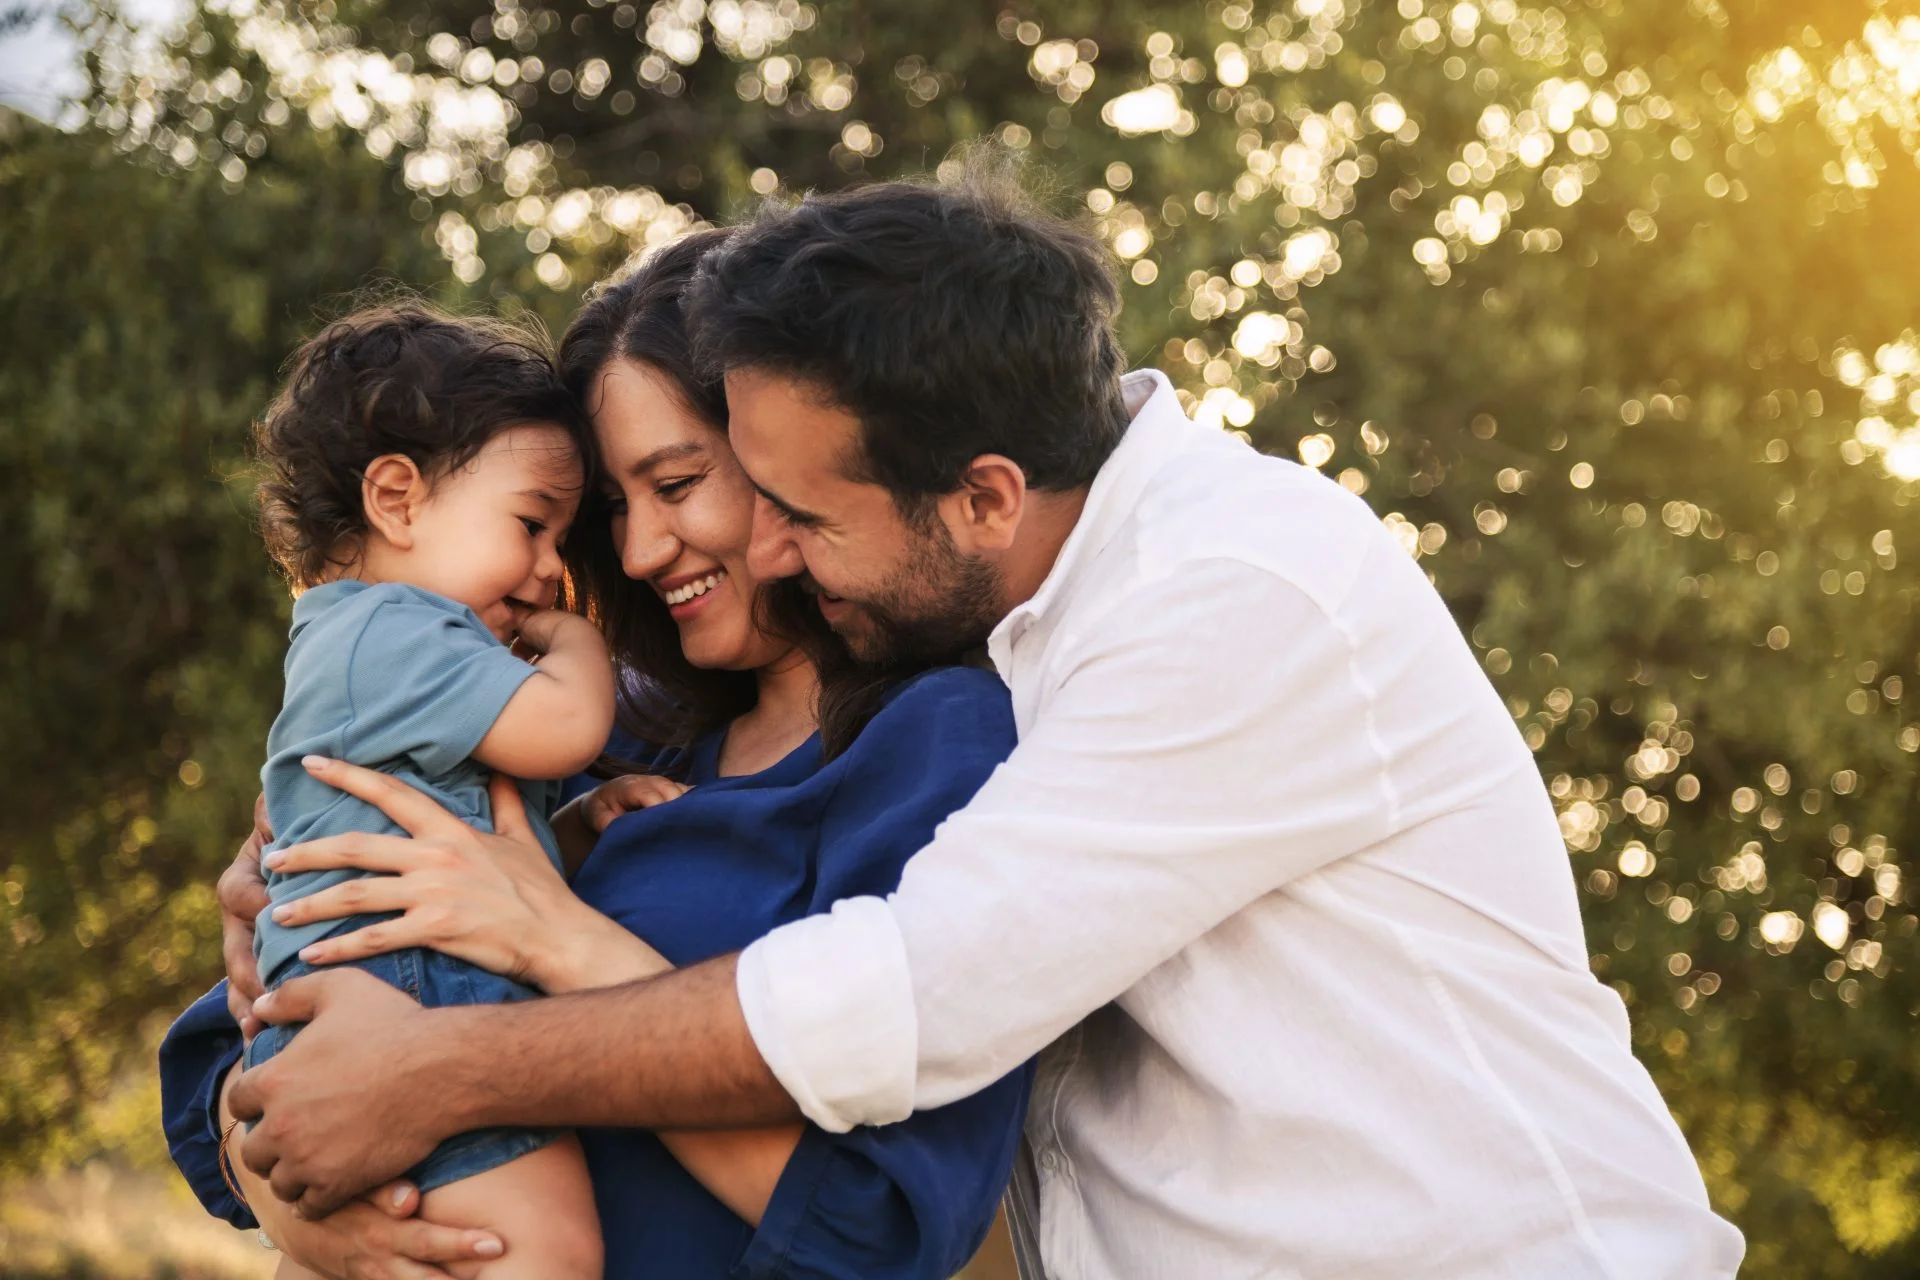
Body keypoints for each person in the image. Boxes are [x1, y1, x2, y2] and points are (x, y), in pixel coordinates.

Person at [216, 168, 1748, 1278]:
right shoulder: (670, 719)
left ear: (985, 494)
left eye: (773, 502)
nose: (757, 549)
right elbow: (256, 1039)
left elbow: (908, 1009)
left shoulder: (1228, 595)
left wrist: (451, 1065)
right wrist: (294, 1157)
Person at [159, 231, 1030, 1279]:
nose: (634, 550)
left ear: (785, 455)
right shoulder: (599, 728)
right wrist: (313, 1213)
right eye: (613, 506)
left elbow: (882, 1228)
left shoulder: (945, 741)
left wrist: (550, 937)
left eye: (675, 482)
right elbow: (224, 1056)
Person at [237, 301, 611, 1280]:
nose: (545, 572)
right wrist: (580, 643)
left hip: (353, 996)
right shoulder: (403, 629)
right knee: (543, 1248)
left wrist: (574, 824)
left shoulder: (355, 639)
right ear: (397, 498)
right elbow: (568, 725)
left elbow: (471, 833)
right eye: (533, 524)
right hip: (411, 993)